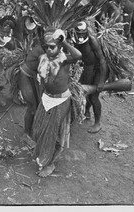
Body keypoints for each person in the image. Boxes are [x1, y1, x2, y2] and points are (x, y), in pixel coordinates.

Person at [31, 28, 82, 177]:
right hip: (46, 98)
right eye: (46, 47)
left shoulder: (64, 59)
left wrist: (63, 41)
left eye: (52, 46)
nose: (48, 49)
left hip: (60, 100)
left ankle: (49, 163)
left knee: (52, 133)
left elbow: (78, 55)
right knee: (39, 129)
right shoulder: (42, 58)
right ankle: (42, 153)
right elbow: (42, 79)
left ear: (59, 47)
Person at [73, 21, 107, 133]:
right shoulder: (73, 38)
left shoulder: (93, 41)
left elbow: (102, 62)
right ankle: (86, 112)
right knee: (84, 91)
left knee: (93, 97)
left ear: (87, 31)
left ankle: (98, 123)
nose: (81, 36)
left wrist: (101, 81)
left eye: (83, 33)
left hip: (98, 69)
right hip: (86, 68)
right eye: (79, 33)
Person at [18, 18, 44, 144]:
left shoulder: (46, 46)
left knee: (38, 104)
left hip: (33, 76)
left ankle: (33, 128)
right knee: (32, 107)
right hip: (25, 76)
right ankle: (26, 134)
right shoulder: (41, 50)